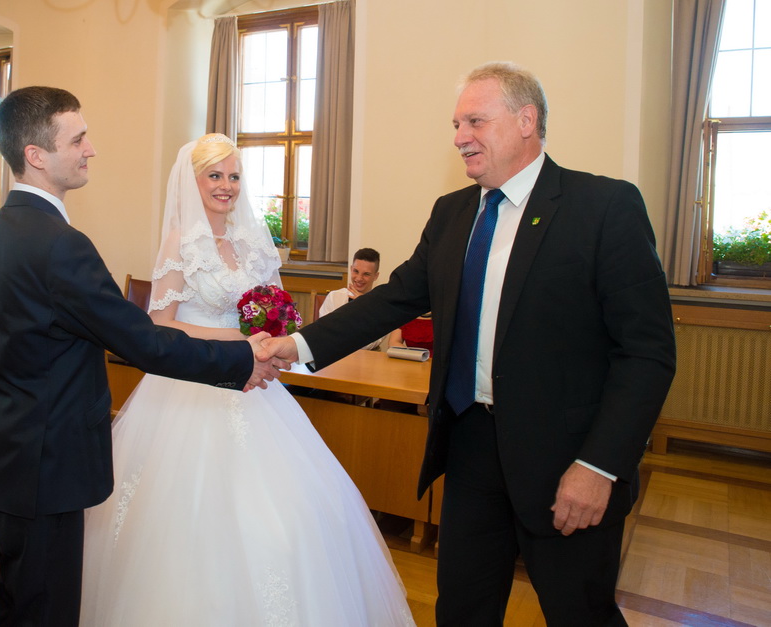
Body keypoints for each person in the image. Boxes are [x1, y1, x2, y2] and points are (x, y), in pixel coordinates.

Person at [262, 62, 676, 626]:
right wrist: (296, 346)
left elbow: (647, 353)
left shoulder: (603, 208)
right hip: (471, 446)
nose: (459, 137)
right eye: (457, 123)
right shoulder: (453, 211)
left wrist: (599, 466)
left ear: (526, 120)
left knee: (579, 613)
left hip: (565, 462)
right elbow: (394, 300)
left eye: (475, 121)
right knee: (461, 609)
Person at [0, 88, 283, 626]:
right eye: (78, 138)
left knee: (22, 602)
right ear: (37, 155)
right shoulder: (60, 243)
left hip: (11, 451)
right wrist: (241, 361)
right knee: (44, 611)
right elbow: (142, 340)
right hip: (50, 463)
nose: (91, 149)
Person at [79, 134, 415, 626]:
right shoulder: (180, 243)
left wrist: (272, 331)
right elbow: (160, 324)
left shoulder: (252, 241)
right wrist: (235, 341)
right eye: (215, 175)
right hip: (191, 386)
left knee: (291, 516)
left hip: (255, 386)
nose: (226, 186)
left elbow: (274, 307)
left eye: (234, 176)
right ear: (192, 183)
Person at [319, 247, 384, 349]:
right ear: (350, 269)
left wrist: (364, 305)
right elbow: (324, 332)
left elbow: (370, 343)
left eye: (366, 274)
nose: (359, 278)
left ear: (376, 276)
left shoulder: (381, 306)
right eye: (356, 271)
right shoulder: (334, 297)